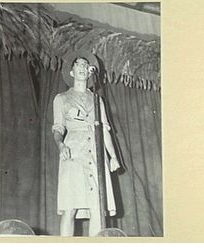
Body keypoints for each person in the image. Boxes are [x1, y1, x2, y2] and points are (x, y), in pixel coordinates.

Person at [52, 50, 121, 236]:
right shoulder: (61, 99)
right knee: (69, 207)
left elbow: (105, 129)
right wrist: (61, 145)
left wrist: (113, 156)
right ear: (72, 72)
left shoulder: (98, 100)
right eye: (78, 64)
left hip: (96, 153)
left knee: (97, 208)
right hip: (73, 153)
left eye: (85, 65)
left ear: (90, 72)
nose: (82, 67)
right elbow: (58, 128)